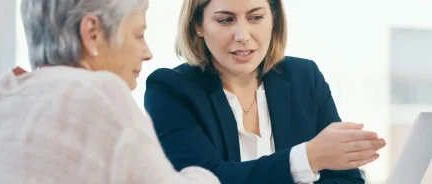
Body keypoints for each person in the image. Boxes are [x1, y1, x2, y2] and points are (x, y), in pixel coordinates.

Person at [0, 0, 220, 183]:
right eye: (138, 34)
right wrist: (205, 175)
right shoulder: (97, 94)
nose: (147, 52)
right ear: (92, 33)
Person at [143, 0, 386, 183]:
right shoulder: (169, 89)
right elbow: (207, 178)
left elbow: (344, 178)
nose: (242, 36)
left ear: (274, 19)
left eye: (256, 17)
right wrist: (308, 158)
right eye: (225, 20)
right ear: (198, 26)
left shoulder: (304, 76)